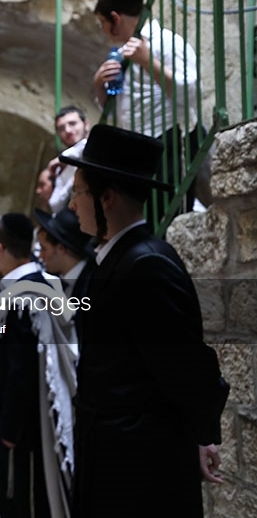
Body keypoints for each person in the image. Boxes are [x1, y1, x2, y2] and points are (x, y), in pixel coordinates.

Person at [60, 124, 227, 518]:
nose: (71, 205)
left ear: (107, 197)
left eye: (78, 193)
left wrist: (203, 435)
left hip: (138, 465)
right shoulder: (114, 259)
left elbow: (185, 365)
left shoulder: (146, 264)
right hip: (113, 453)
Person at [0, 213, 74, 518]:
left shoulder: (24, 294)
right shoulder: (36, 285)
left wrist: (9, 430)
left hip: (26, 434)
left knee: (26, 504)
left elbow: (23, 371)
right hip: (25, 428)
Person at [92, 0, 202, 219]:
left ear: (115, 18)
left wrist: (147, 62)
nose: (102, 30)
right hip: (137, 149)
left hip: (172, 140)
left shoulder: (168, 42)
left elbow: (191, 93)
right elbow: (118, 109)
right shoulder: (121, 54)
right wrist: (100, 86)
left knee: (172, 217)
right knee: (145, 219)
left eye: (102, 23)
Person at [46, 106, 91, 214]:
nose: (68, 130)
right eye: (61, 128)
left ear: (86, 124)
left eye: (72, 123)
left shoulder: (92, 148)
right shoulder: (61, 167)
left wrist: (64, 157)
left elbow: (87, 146)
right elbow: (55, 205)